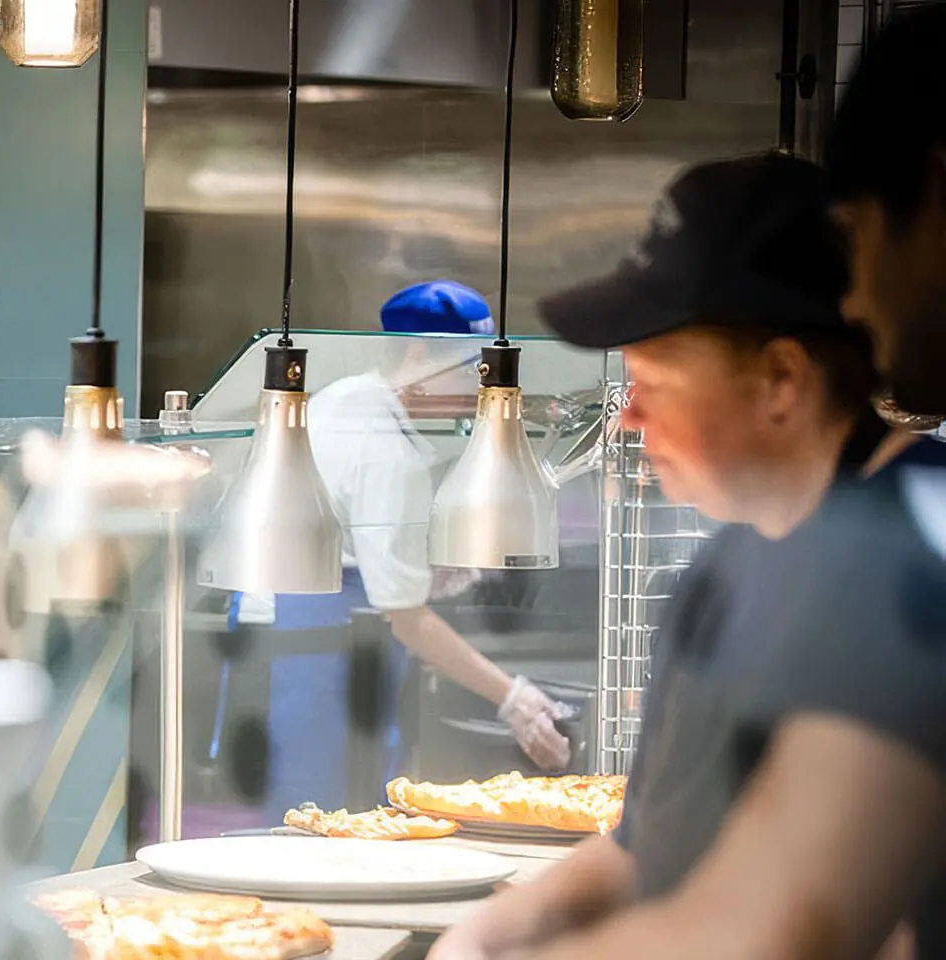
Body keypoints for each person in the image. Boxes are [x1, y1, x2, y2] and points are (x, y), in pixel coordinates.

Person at [430, 150, 946, 960]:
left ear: (781, 379)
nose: (629, 418)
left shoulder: (911, 562)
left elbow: (780, 932)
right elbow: (650, 851)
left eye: (653, 383)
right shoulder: (723, 574)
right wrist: (484, 936)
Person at [232, 281, 574, 826]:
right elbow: (405, 617)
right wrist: (514, 699)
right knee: (311, 827)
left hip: (325, 639)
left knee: (342, 822)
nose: (476, 388)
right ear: (418, 356)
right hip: (309, 651)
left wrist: (426, 570)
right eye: (468, 369)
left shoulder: (353, 400)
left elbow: (363, 555)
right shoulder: (380, 440)